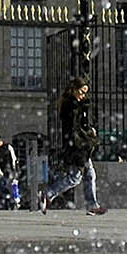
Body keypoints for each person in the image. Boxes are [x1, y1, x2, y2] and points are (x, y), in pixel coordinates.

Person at [38, 79, 105, 214]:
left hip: (78, 144)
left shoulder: (75, 104)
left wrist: (88, 129)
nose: (83, 95)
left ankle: (92, 205)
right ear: (74, 89)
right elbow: (74, 128)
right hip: (77, 146)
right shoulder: (72, 105)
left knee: (89, 174)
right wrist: (87, 134)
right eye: (81, 92)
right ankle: (49, 193)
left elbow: (79, 125)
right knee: (75, 177)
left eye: (85, 92)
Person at [0, 135, 18, 208]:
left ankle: (12, 201)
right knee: (1, 186)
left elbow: (13, 158)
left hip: (8, 170)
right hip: (0, 171)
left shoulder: (8, 147)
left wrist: (14, 169)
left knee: (9, 185)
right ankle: (5, 201)